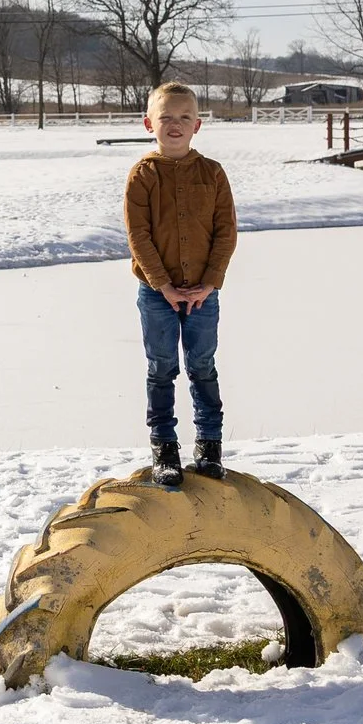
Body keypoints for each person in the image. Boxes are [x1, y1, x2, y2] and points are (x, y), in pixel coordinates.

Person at [122, 82, 237, 488]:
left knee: (202, 366)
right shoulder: (143, 176)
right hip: (158, 296)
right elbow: (139, 236)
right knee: (161, 368)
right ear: (148, 123)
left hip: (204, 294)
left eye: (184, 118)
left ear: (197, 125)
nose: (175, 124)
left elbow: (226, 232)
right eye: (166, 117)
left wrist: (209, 283)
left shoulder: (213, 173)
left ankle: (209, 446)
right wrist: (164, 285)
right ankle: (165, 449)